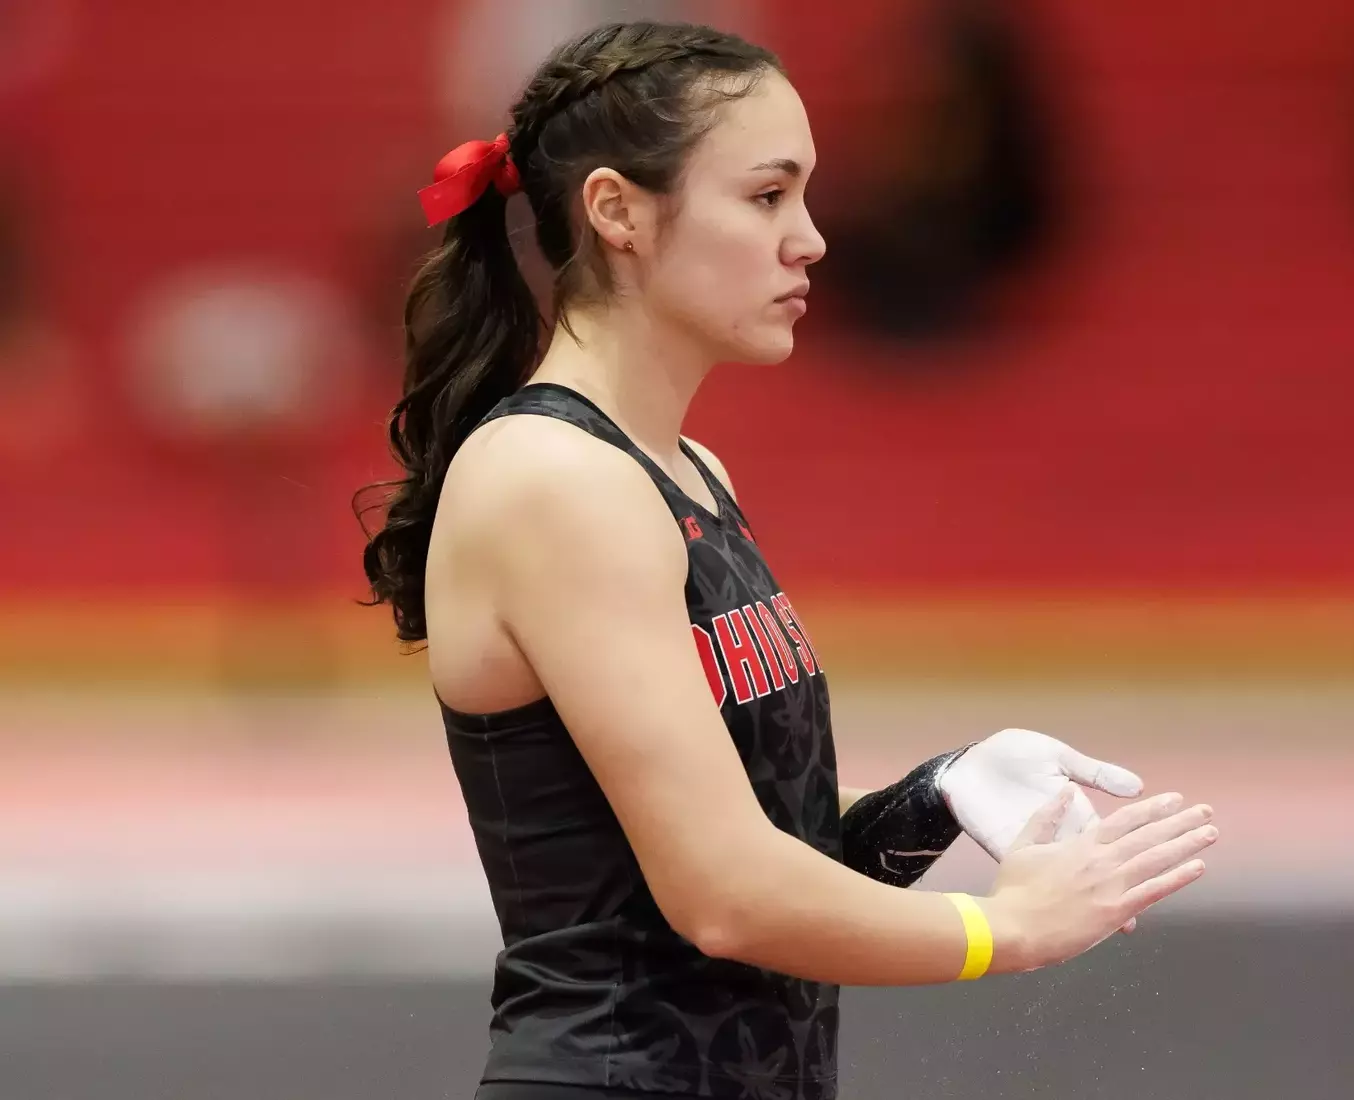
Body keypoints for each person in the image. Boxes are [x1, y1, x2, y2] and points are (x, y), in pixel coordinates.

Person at [359, 21, 1218, 1100]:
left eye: (804, 195)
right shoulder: (557, 479)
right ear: (618, 211)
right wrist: (1005, 930)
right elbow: (723, 896)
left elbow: (764, 834)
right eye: (767, 196)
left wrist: (935, 793)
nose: (809, 239)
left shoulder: (681, 471)